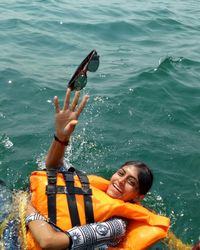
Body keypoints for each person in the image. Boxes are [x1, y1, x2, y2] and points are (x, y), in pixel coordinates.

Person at [25, 88, 169, 250]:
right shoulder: (88, 185)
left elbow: (49, 242)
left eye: (131, 182)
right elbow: (53, 167)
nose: (120, 181)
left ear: (138, 197)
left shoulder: (114, 226)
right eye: (121, 173)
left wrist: (27, 206)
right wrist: (61, 137)